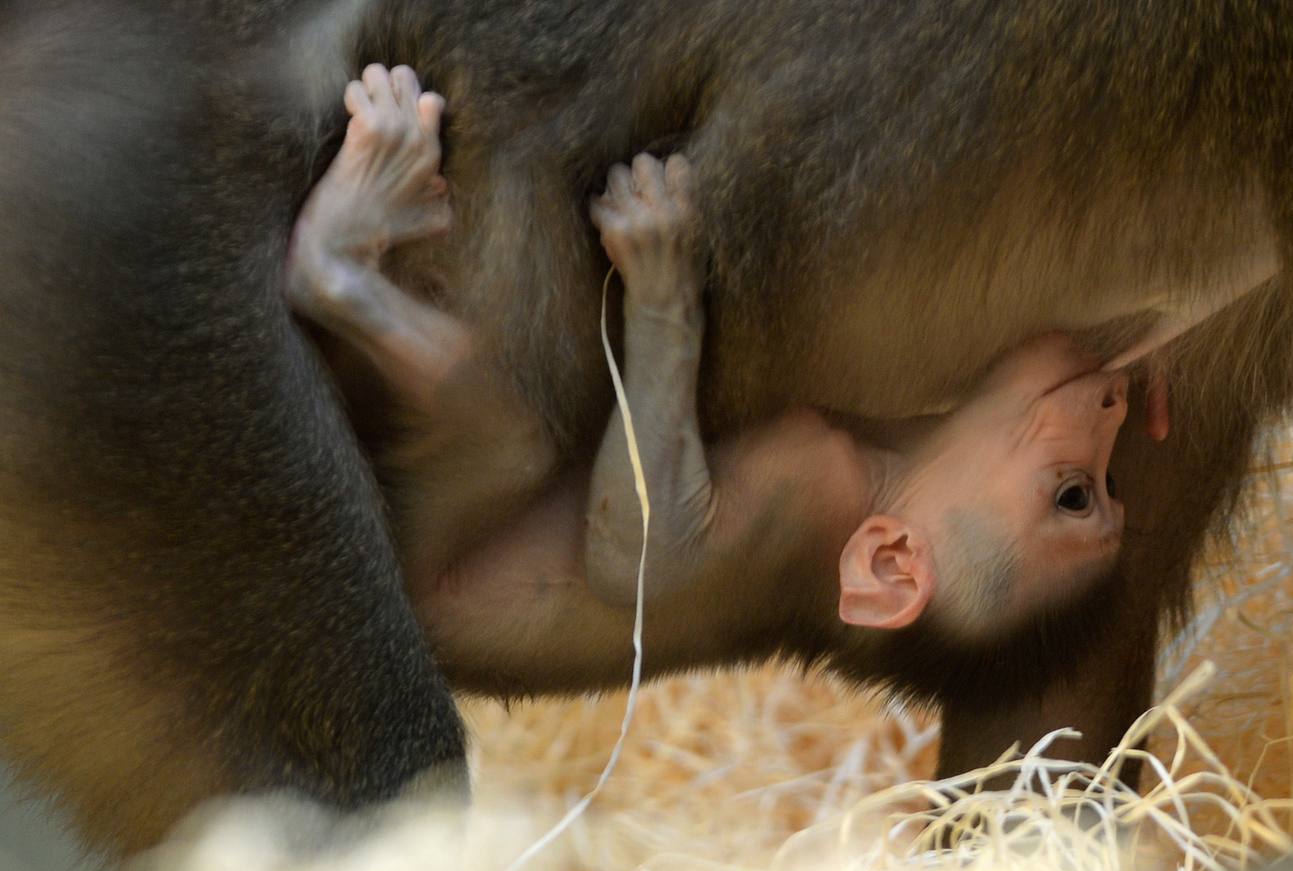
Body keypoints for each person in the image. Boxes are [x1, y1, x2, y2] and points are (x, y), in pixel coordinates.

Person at [286, 64, 1134, 659]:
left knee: (513, 433)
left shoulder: (815, 498)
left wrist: (664, 305)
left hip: (436, 577)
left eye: (1073, 493)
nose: (1116, 414)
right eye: (1113, 475)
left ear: (891, 563)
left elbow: (634, 557)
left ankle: (340, 274)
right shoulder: (877, 461)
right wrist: (1139, 348)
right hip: (447, 523)